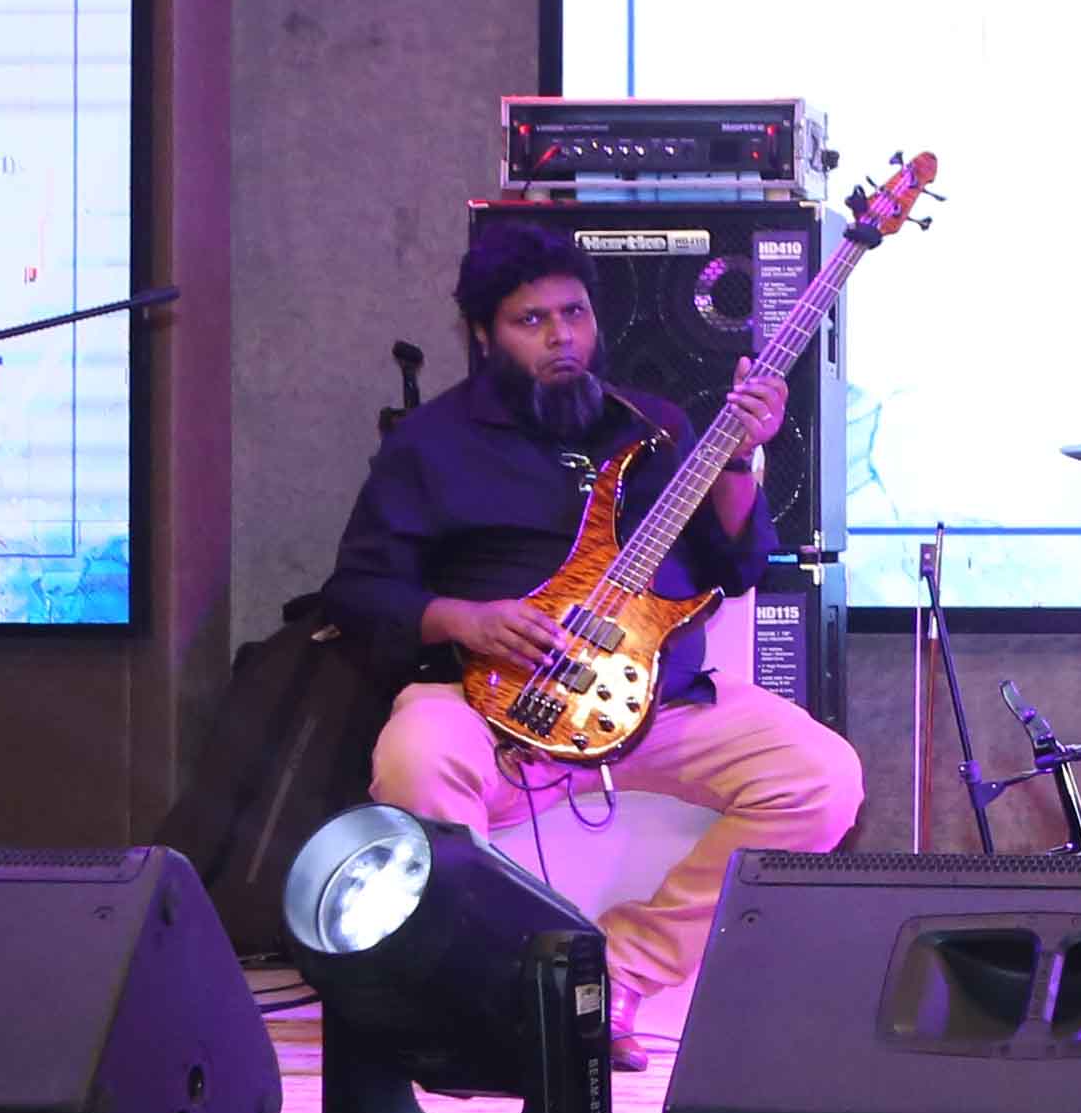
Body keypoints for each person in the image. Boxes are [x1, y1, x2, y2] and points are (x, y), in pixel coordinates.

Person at [325, 222, 865, 1043]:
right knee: (416, 761)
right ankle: (489, 989)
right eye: (531, 320)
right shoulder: (429, 444)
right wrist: (465, 618)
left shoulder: (652, 425)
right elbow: (359, 591)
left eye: (574, 313)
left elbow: (735, 564)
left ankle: (620, 971)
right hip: (493, 701)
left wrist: (738, 459)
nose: (562, 337)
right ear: (483, 334)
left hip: (658, 704)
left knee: (822, 778)